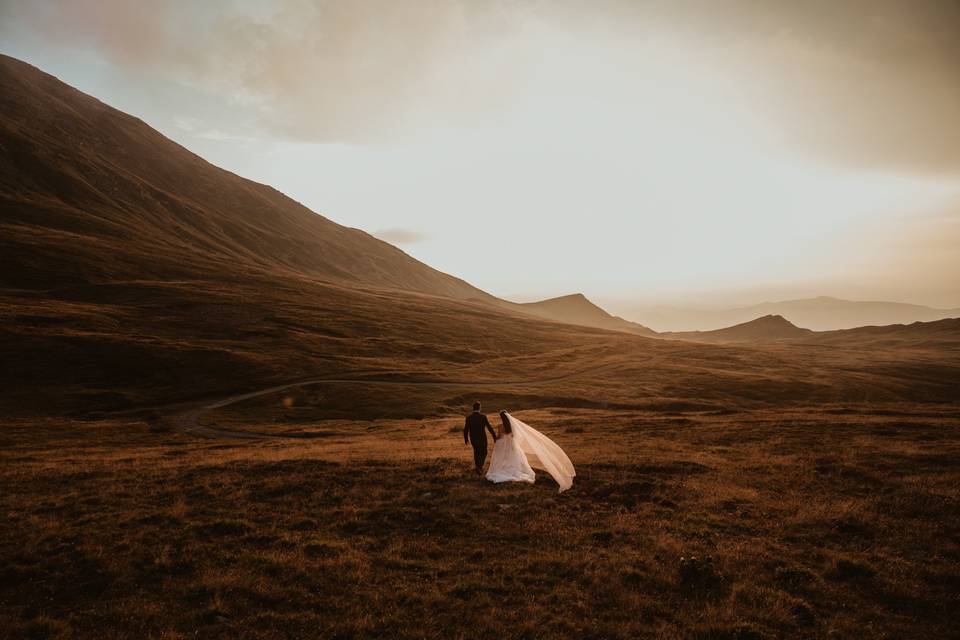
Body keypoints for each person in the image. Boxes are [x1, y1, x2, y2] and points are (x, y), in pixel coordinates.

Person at [486, 410, 576, 493]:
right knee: (512, 458)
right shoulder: (512, 426)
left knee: (502, 458)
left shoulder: (501, 426)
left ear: (501, 417)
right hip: (512, 445)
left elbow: (500, 437)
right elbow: (514, 437)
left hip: (503, 445)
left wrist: (496, 440)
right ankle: (512, 470)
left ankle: (502, 470)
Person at [463, 401, 497, 475]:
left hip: (473, 438)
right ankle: (480, 466)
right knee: (484, 452)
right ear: (479, 408)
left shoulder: (468, 418)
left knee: (476, 452)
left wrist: (466, 439)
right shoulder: (483, 417)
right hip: (482, 438)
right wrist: (494, 436)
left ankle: (477, 467)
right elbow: (489, 427)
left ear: (473, 408)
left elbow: (466, 429)